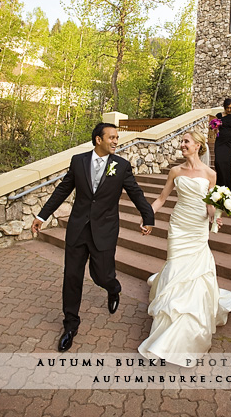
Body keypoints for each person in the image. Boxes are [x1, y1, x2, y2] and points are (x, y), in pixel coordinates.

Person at [31, 122, 154, 352]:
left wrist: (148, 217)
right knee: (72, 277)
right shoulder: (79, 161)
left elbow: (135, 192)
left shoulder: (121, 165)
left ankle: (113, 288)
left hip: (105, 231)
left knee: (102, 275)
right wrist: (42, 215)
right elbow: (63, 190)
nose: (116, 141)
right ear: (98, 139)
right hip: (78, 229)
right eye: (112, 137)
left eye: (117, 138)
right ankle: (70, 325)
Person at [138, 130, 231, 366]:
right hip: (179, 226)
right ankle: (168, 321)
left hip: (198, 228)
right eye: (181, 142)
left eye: (185, 142)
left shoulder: (211, 174)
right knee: (175, 267)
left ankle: (186, 326)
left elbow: (210, 205)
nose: (181, 145)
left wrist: (215, 218)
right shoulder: (176, 171)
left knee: (195, 272)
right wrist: (147, 217)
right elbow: (162, 198)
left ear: (198, 146)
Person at [214, 98, 231, 192]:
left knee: (226, 163)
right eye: (228, 108)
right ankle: (220, 183)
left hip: (230, 142)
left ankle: (227, 184)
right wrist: (215, 129)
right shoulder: (219, 115)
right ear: (224, 107)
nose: (229, 110)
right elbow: (215, 129)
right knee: (217, 162)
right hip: (220, 141)